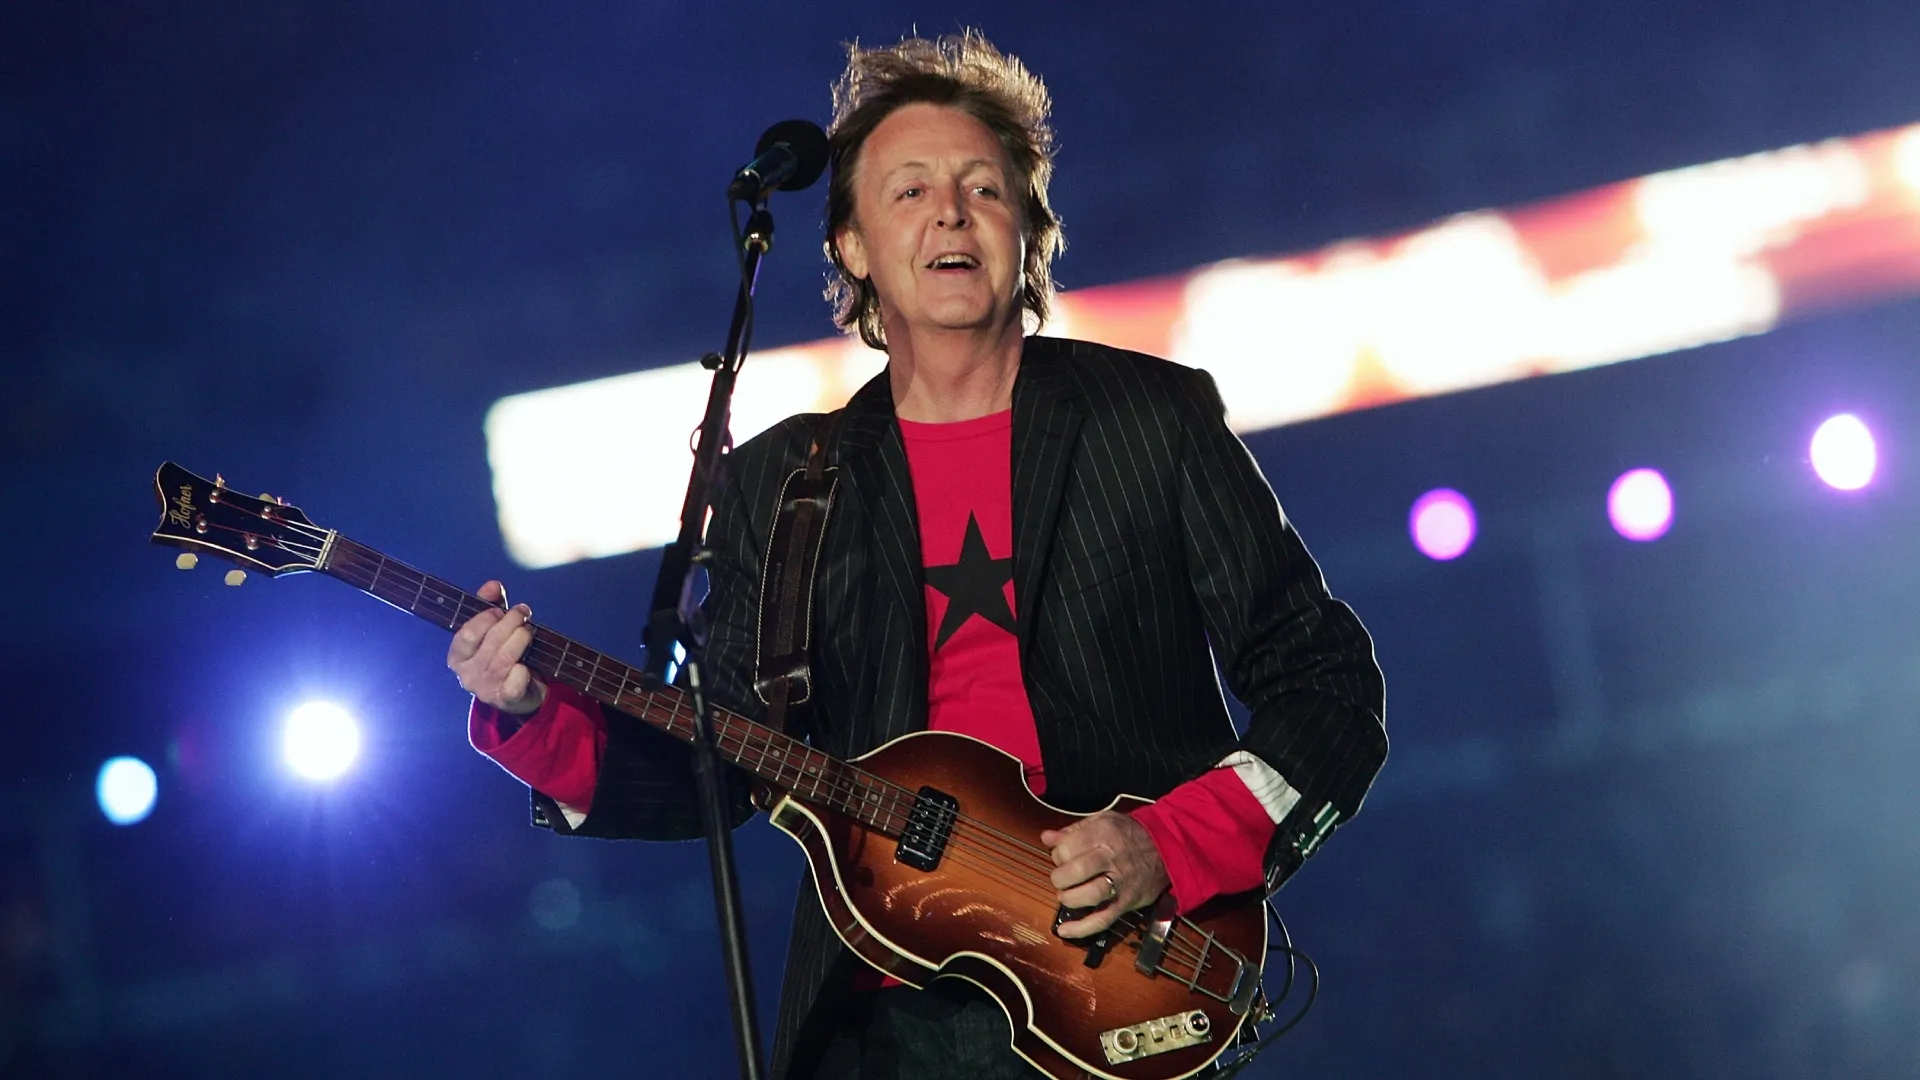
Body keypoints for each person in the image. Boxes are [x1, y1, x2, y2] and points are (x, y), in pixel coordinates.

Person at [448, 30, 1386, 1080]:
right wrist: (532, 715)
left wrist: (1167, 845)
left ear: (1028, 230)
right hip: (880, 1027)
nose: (951, 211)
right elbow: (721, 762)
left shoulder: (1150, 419)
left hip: (1121, 987)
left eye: (983, 188)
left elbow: (1330, 692)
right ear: (850, 245)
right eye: (910, 191)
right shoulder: (781, 484)